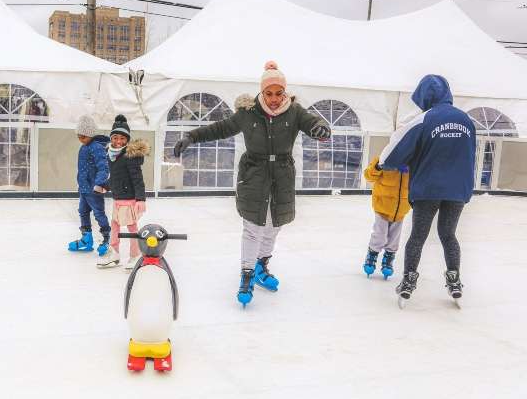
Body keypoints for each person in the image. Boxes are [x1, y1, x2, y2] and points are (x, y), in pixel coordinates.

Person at [173, 61, 330, 306]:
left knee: (274, 225)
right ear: (262, 92)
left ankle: (260, 266)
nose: (275, 99)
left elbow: (312, 122)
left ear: (285, 92)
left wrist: (321, 128)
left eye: (279, 93)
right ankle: (246, 275)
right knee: (253, 227)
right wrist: (191, 136)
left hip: (282, 175)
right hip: (254, 175)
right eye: (269, 93)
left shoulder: (295, 111)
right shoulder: (248, 113)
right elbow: (220, 128)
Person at [379, 74, 476, 307]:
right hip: (457, 189)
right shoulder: (467, 121)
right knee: (448, 234)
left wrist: (386, 163)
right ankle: (454, 280)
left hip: (428, 189)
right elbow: (471, 155)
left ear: (424, 95)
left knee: (418, 236)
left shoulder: (424, 119)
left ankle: (409, 281)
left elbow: (392, 154)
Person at [97, 115, 149, 270]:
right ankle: (114, 253)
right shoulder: (112, 155)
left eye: (122, 139)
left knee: (132, 227)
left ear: (127, 140)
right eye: (115, 138)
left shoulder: (129, 156)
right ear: (111, 138)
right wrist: (105, 186)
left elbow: (137, 179)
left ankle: (135, 255)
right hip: (117, 199)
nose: (118, 141)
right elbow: (115, 177)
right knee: (115, 226)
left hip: (129, 198)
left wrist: (140, 199)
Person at [68, 115, 111, 256]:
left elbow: (103, 168)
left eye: (83, 136)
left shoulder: (97, 147)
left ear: (91, 134)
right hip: (84, 189)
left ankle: (106, 238)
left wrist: (99, 184)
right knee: (83, 211)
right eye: (79, 136)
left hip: (94, 189)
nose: (81, 139)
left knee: (99, 214)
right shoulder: (84, 147)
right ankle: (87, 239)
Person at [362, 156, 410, 279]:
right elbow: (368, 176)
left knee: (395, 237)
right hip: (382, 206)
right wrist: (378, 166)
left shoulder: (412, 161)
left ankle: (389, 257)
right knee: (380, 234)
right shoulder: (384, 157)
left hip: (401, 207)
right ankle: (372, 253)